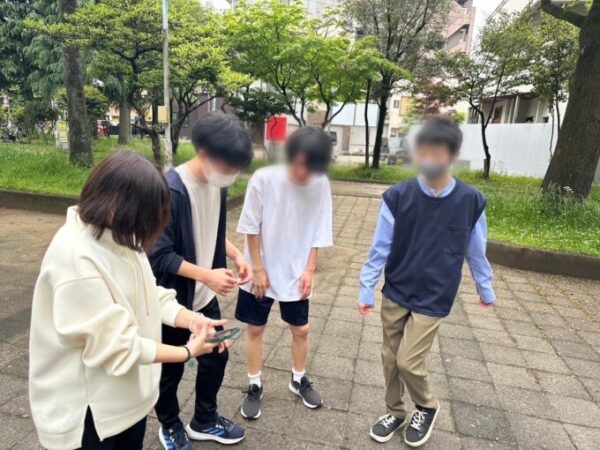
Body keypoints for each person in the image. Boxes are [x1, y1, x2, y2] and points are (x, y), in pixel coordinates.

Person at [29, 151, 225, 450]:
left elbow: (149, 292)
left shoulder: (119, 236)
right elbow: (119, 347)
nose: (147, 230)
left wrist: (193, 319)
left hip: (125, 404)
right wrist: (187, 351)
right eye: (145, 218)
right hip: (89, 415)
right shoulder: (75, 257)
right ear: (118, 205)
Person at [358, 116, 496, 447]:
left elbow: (476, 250)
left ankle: (426, 405)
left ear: (453, 155)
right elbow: (380, 247)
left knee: (408, 361)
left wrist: (485, 286)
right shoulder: (398, 196)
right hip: (397, 289)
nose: (429, 160)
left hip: (435, 295)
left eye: (438, 153)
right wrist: (366, 287)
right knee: (390, 358)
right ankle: (394, 411)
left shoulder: (470, 201)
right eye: (424, 152)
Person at [149, 112, 253, 449]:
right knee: (171, 368)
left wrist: (236, 255)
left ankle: (204, 420)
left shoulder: (216, 184)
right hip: (172, 302)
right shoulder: (172, 190)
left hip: (204, 297)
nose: (232, 173)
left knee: (216, 354)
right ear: (205, 153)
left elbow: (211, 231)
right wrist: (206, 274)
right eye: (229, 165)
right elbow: (160, 255)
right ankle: (169, 425)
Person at [235, 126, 333, 420]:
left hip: (296, 268)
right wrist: (257, 269)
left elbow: (319, 228)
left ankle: (298, 378)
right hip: (261, 266)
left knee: (301, 329)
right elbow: (251, 226)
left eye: (311, 166)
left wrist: (310, 269)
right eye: (300, 163)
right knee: (255, 328)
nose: (303, 172)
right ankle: (254, 384)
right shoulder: (264, 178)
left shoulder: (320, 183)